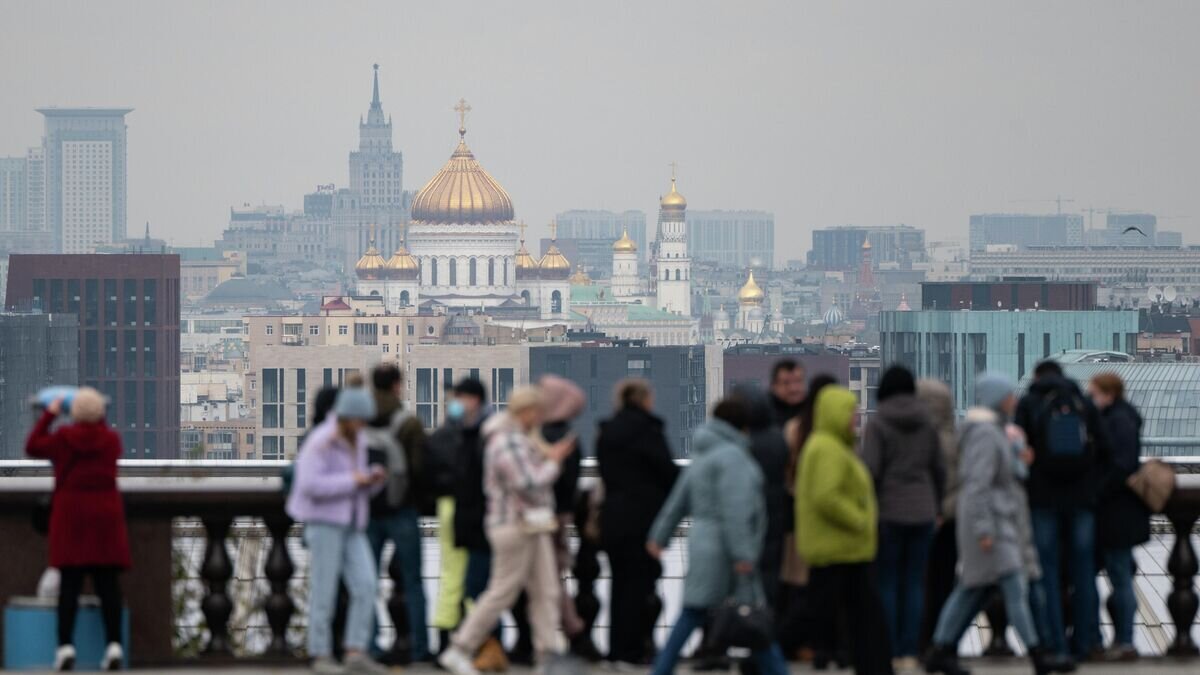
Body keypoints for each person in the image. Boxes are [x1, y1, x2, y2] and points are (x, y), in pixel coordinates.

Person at [924, 373, 1060, 675]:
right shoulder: (986, 434)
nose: (1014, 400)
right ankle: (1037, 653)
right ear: (997, 399)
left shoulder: (992, 431)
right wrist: (984, 529)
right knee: (1012, 588)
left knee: (971, 591)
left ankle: (940, 649)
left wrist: (1020, 462)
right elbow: (977, 485)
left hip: (997, 524)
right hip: (992, 527)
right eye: (1009, 395)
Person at [438, 387, 576, 675]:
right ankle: (461, 647)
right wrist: (554, 462)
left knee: (546, 589)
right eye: (537, 412)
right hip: (514, 525)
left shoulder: (513, 439)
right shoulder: (505, 441)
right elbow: (527, 483)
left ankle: (548, 653)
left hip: (530, 524)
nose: (540, 418)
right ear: (527, 411)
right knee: (503, 590)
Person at [646, 399, 789, 675]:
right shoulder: (733, 457)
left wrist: (659, 537)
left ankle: (661, 670)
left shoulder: (702, 454)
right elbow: (736, 510)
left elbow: (678, 500)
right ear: (743, 426)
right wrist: (743, 553)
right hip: (726, 547)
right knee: (752, 615)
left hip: (701, 542)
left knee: (693, 612)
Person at [286, 387, 390, 675]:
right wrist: (353, 480)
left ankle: (355, 651)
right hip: (324, 524)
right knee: (324, 589)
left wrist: (372, 481)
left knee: (367, 585)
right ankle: (320, 653)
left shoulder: (357, 440)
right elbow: (309, 485)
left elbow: (355, 486)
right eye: (361, 419)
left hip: (352, 523)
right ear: (348, 417)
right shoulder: (321, 440)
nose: (364, 425)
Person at [26, 388, 130, 672]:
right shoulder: (111, 440)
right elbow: (99, 433)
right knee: (108, 585)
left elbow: (33, 446)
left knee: (69, 586)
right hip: (105, 517)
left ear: (73, 413)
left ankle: (65, 647)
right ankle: (114, 645)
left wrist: (50, 414)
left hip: (71, 516)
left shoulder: (63, 438)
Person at [795, 385, 893, 675]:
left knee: (857, 615)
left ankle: (875, 667)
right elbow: (827, 496)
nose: (856, 418)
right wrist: (859, 519)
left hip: (844, 548)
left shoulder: (832, 445)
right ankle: (761, 654)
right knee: (826, 613)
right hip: (839, 546)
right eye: (851, 412)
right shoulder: (827, 448)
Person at [1016, 360, 1110, 659]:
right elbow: (1105, 449)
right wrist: (1090, 484)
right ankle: (1085, 643)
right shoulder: (1082, 402)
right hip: (1081, 500)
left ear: (1037, 377)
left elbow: (1017, 454)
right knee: (1084, 572)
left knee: (1046, 573)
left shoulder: (1028, 403)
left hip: (1043, 499)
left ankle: (1053, 644)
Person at [860, 366, 944, 669]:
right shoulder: (928, 422)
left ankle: (890, 649)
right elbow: (939, 469)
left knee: (888, 582)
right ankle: (910, 650)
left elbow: (870, 469)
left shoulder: (878, 423)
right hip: (923, 510)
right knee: (915, 583)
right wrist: (937, 507)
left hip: (889, 510)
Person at [596, 379, 680, 668]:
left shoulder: (607, 431)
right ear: (644, 399)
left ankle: (616, 649)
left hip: (613, 518)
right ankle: (634, 650)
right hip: (643, 519)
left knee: (619, 585)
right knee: (641, 585)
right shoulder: (648, 430)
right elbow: (667, 471)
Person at [508, 375, 586, 663]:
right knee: (551, 579)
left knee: (535, 580)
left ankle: (542, 640)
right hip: (558, 515)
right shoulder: (566, 436)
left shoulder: (540, 435)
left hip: (538, 516)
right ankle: (565, 637)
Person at [363, 364, 429, 663]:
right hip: (402, 508)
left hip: (367, 509)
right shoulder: (408, 423)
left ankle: (370, 646)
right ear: (397, 385)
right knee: (413, 580)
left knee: (366, 581)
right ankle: (419, 648)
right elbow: (420, 470)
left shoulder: (359, 422)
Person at [778, 374, 839, 662]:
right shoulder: (834, 435)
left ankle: (793, 644)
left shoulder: (795, 429)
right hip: (829, 523)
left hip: (799, 518)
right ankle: (819, 644)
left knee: (799, 586)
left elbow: (788, 476)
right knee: (825, 588)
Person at [1088, 373, 1148, 662]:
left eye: (1094, 393)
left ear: (1108, 394)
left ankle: (1124, 641)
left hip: (1115, 512)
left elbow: (1120, 466)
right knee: (1119, 575)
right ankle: (1117, 640)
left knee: (1120, 576)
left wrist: (1095, 489)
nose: (1090, 399)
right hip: (1117, 512)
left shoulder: (1118, 420)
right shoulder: (1121, 417)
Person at [426, 381, 477, 656]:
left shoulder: (438, 437)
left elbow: (426, 474)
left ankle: (444, 640)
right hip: (472, 507)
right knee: (475, 576)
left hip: (445, 506)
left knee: (449, 573)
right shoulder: (476, 435)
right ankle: (473, 639)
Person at [916, 379, 959, 654]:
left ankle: (922, 639)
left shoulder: (918, 439)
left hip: (922, 517)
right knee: (945, 582)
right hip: (952, 519)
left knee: (922, 582)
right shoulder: (955, 439)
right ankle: (943, 640)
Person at [769, 359, 807, 424]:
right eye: (786, 383)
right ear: (774, 386)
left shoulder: (814, 408)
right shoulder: (765, 413)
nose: (793, 388)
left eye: (798, 381)